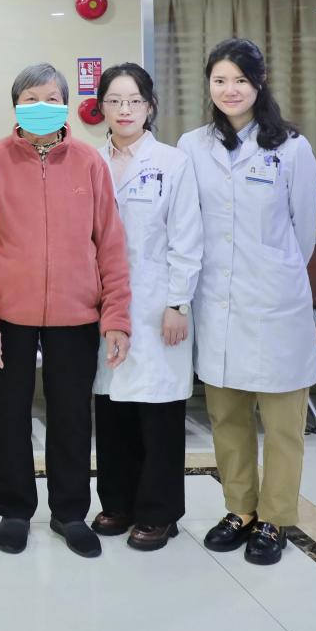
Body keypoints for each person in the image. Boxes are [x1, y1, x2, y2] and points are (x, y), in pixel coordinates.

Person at [0, 62, 131, 559]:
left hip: (77, 314)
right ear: (16, 106)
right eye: (30, 99)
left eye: (51, 98)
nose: (41, 107)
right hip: (9, 315)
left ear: (65, 105)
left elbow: (111, 244)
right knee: (9, 416)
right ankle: (14, 511)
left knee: (72, 417)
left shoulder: (89, 162)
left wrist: (116, 317)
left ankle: (69, 512)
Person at [178, 38, 316, 566]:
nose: (230, 90)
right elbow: (189, 222)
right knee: (227, 417)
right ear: (209, 86)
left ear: (259, 84)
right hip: (218, 303)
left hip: (276, 305)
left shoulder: (292, 148)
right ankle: (239, 509)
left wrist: (272, 274)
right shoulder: (192, 146)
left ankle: (275, 518)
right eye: (220, 80)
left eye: (240, 80)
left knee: (282, 424)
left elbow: (303, 234)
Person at [89, 63, 203, 552]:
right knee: (111, 407)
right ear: (101, 108)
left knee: (158, 412)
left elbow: (187, 238)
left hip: (158, 303)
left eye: (134, 100)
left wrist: (178, 302)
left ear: (150, 106)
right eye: (114, 100)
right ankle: (117, 503)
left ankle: (159, 513)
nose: (124, 110)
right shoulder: (89, 161)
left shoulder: (172, 163)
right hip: (101, 305)